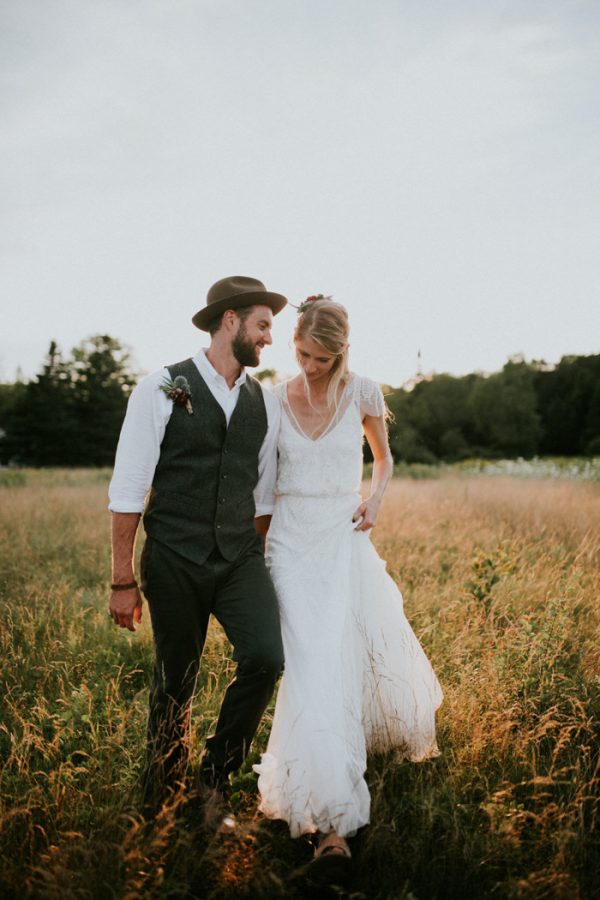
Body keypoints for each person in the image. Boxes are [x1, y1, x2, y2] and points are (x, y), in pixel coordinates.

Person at [254, 296, 443, 863]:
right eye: (301, 353)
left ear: (340, 352)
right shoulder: (271, 400)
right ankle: (324, 807)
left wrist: (376, 499)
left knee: (333, 663)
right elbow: (263, 483)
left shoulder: (364, 392)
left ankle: (333, 825)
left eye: (320, 356)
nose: (309, 365)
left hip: (342, 538)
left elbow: (383, 460)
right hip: (289, 545)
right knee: (308, 664)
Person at [108, 275, 288, 827]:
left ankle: (214, 777)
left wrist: (250, 559)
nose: (268, 339)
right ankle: (162, 800)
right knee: (175, 681)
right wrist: (121, 580)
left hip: (237, 559)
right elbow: (129, 485)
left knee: (266, 657)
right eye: (262, 325)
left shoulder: (265, 399)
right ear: (229, 321)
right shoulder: (162, 386)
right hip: (174, 558)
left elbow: (261, 492)